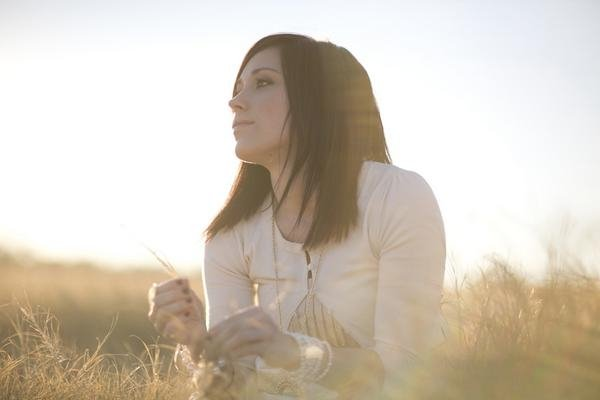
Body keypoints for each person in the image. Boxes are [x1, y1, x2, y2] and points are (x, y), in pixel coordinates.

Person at [147, 33, 447, 399]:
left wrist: (291, 351)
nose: (235, 102)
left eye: (262, 83)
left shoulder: (396, 195)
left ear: (318, 99)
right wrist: (198, 342)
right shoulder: (229, 235)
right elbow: (233, 387)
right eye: (237, 89)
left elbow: (402, 369)